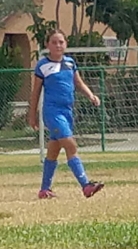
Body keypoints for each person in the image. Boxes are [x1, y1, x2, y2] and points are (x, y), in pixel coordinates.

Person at [28, 29, 105, 199]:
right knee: (71, 145)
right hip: (52, 112)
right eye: (54, 42)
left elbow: (78, 82)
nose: (58, 45)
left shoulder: (70, 63)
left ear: (66, 44)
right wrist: (32, 115)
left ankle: (44, 190)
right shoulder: (43, 65)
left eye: (61, 42)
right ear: (47, 45)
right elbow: (35, 93)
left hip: (67, 111)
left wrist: (91, 95)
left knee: (54, 150)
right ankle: (86, 186)